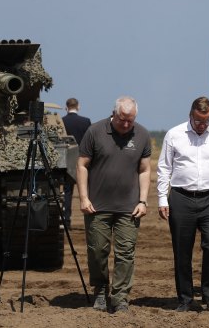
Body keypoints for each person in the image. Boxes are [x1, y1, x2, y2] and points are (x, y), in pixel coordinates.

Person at [157, 96, 209, 312]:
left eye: (206, 120)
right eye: (199, 121)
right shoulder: (174, 134)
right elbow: (164, 168)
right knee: (182, 250)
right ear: (191, 114)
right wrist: (163, 198)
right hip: (181, 198)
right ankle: (185, 298)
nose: (202, 125)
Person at [77, 96, 151, 313]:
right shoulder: (94, 131)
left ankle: (120, 298)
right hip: (97, 206)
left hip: (129, 208)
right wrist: (83, 197)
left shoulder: (142, 134)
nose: (126, 125)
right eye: (122, 119)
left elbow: (145, 170)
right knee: (97, 251)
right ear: (114, 113)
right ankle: (100, 291)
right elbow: (82, 165)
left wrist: (143, 201)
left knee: (125, 253)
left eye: (131, 120)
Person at [62, 97, 91, 229]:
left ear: (66, 107)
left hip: (67, 160)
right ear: (78, 106)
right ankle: (90, 220)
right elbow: (91, 141)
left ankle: (66, 222)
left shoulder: (62, 121)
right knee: (87, 191)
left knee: (67, 192)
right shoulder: (85, 122)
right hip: (84, 161)